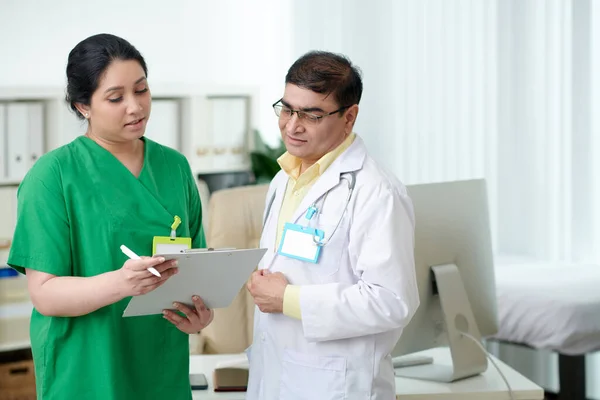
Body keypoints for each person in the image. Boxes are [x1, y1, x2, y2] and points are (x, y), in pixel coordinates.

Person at [7, 33, 213, 400]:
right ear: (83, 105)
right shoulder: (52, 176)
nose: (135, 107)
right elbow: (45, 294)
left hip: (159, 363)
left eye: (142, 90)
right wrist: (122, 284)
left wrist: (200, 316)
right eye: (116, 98)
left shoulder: (176, 168)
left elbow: (196, 272)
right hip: (86, 368)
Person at [246, 51, 420, 399]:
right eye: (288, 108)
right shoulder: (284, 178)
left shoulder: (376, 191)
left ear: (349, 117)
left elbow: (391, 300)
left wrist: (288, 298)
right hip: (277, 375)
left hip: (337, 385)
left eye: (311, 115)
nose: (292, 125)